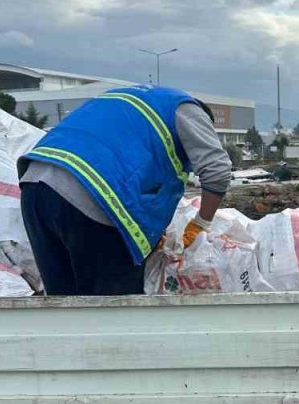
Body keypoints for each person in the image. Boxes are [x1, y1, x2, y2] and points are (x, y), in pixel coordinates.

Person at [18, 85, 233, 296]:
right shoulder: (188, 110)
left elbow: (143, 181)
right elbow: (218, 170)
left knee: (62, 305)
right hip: (91, 193)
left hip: (34, 186)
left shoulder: (130, 101)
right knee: (114, 310)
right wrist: (201, 223)